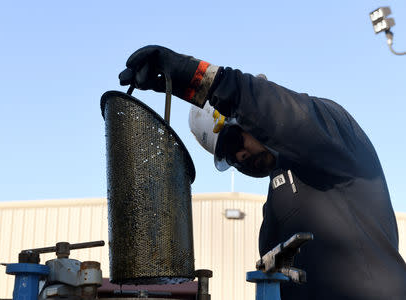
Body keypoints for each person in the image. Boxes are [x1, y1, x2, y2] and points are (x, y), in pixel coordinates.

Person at [118, 45, 406, 299]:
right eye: (230, 156)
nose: (240, 156)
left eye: (234, 141)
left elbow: (279, 112)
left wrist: (191, 77)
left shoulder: (331, 130)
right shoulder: (280, 195)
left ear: (249, 119)